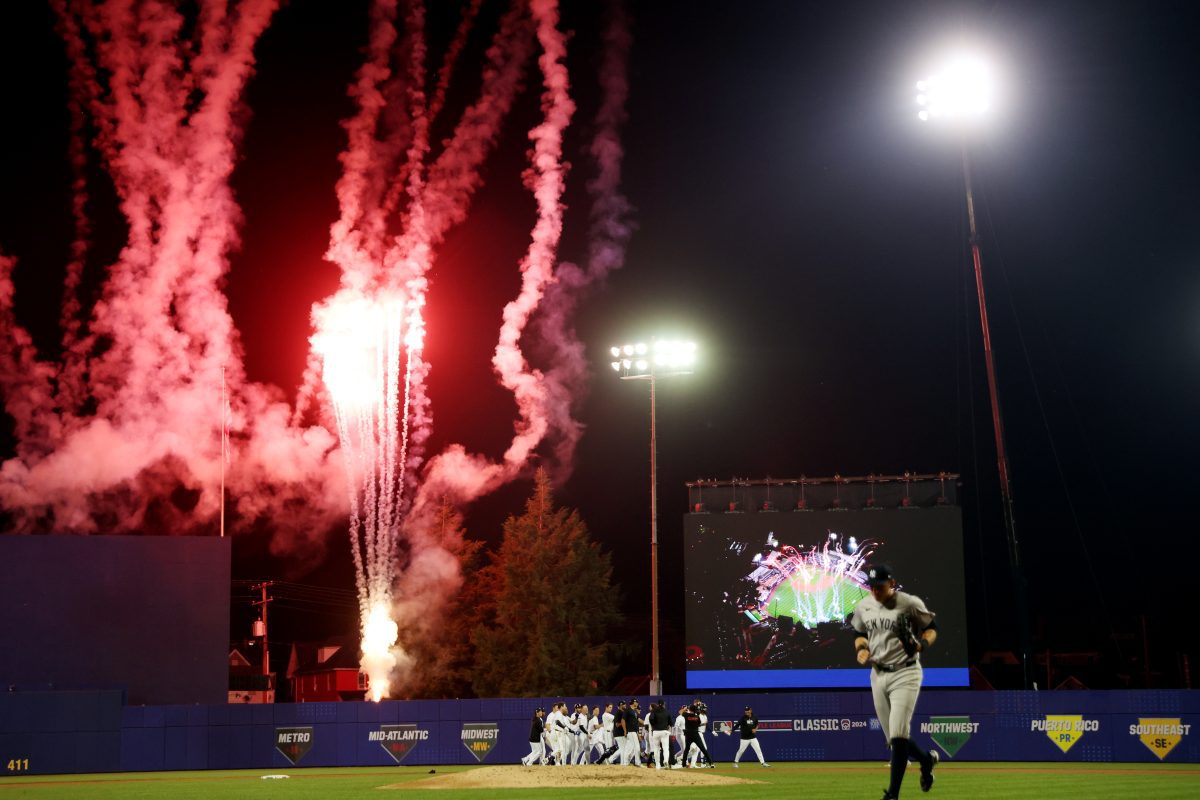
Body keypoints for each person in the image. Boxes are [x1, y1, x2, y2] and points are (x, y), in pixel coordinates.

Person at [851, 563, 940, 799]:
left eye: (879, 586)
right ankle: (926, 760)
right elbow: (858, 632)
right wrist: (861, 648)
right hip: (878, 674)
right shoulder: (864, 606)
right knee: (893, 740)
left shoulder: (909, 603)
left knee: (899, 734)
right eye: (871, 587)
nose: (875, 592)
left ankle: (892, 795)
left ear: (891, 583)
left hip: (906, 673)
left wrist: (922, 644)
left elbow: (931, 628)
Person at [682, 702, 716, 768]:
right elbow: (698, 724)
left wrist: (686, 708)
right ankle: (711, 763)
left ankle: (683, 764)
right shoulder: (697, 717)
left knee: (686, 749)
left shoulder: (686, 715)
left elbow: (680, 712)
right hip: (695, 734)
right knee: (703, 748)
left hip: (688, 734)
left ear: (690, 709)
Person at [648, 701, 673, 769]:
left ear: (658, 704)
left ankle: (658, 765)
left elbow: (651, 719)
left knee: (656, 749)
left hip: (656, 732)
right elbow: (671, 723)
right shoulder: (666, 711)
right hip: (664, 731)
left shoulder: (654, 711)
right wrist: (666, 725)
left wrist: (654, 725)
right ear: (664, 704)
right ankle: (665, 761)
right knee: (665, 748)